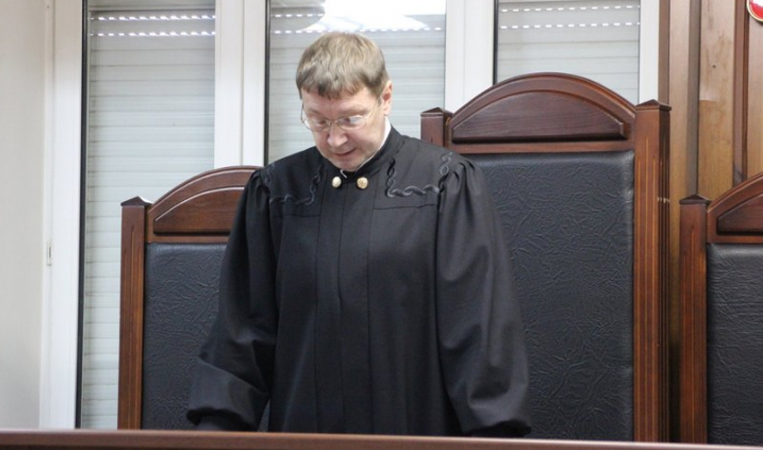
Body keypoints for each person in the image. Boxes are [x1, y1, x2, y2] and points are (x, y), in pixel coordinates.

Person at [187, 31, 530, 437]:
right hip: (304, 434)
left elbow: (477, 328)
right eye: (318, 121)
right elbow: (243, 330)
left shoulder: (443, 184)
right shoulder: (277, 192)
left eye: (351, 119)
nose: (335, 139)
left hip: (415, 433)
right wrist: (216, 430)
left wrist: (494, 437)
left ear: (386, 98)